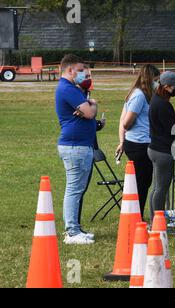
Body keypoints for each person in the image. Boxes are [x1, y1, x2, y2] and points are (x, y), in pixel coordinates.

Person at [56, 54, 98, 245]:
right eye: (81, 70)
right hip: (75, 146)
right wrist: (93, 105)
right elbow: (89, 113)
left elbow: (86, 112)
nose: (84, 73)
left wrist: (88, 105)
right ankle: (72, 232)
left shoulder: (73, 89)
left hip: (79, 144)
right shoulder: (67, 89)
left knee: (77, 189)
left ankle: (76, 228)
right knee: (74, 189)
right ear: (70, 70)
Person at [116, 64, 161, 219]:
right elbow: (126, 122)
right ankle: (137, 218)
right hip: (139, 145)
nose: (158, 83)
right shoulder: (139, 95)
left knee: (143, 182)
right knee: (141, 183)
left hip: (140, 143)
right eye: (156, 80)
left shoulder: (140, 94)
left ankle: (135, 215)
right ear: (150, 79)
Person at [148, 71, 175, 224]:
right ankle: (157, 221)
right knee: (161, 188)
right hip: (163, 151)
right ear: (167, 87)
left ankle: (154, 219)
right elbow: (171, 130)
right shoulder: (164, 105)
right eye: (174, 87)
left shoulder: (155, 100)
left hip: (154, 148)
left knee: (156, 187)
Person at [75, 66, 106, 226]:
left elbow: (88, 119)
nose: (89, 78)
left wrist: (97, 124)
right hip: (81, 147)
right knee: (78, 189)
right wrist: (93, 107)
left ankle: (75, 224)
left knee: (81, 189)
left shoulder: (85, 94)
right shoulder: (77, 96)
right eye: (86, 75)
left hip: (89, 146)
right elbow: (87, 115)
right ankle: (74, 226)